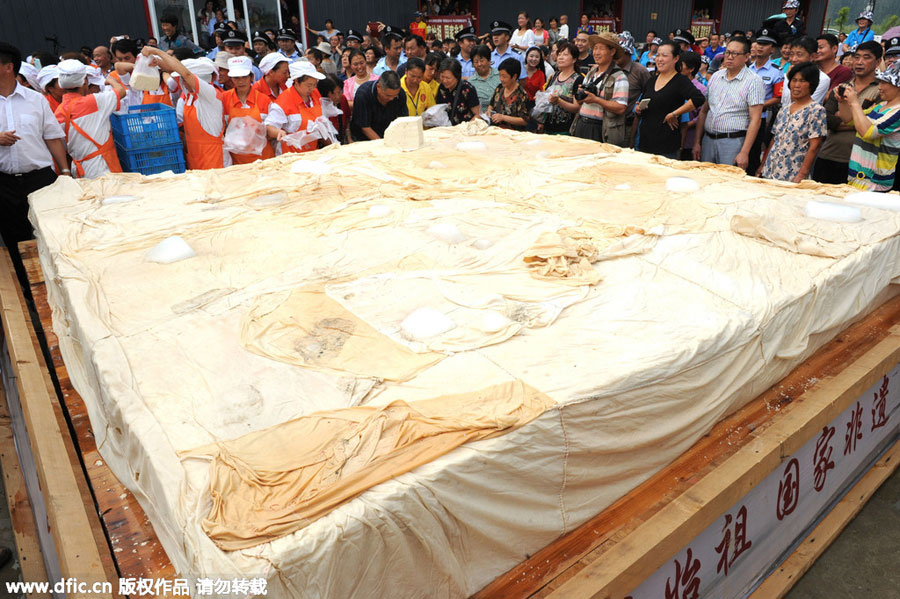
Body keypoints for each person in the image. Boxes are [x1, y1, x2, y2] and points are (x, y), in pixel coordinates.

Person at [0, 41, 69, 289]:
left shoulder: (35, 100)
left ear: (8, 67)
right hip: (4, 184)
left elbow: (52, 137)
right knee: (15, 239)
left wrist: (65, 171)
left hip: (39, 179)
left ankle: (60, 286)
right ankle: (29, 292)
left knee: (52, 234)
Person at [144, 47, 228, 169]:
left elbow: (186, 74)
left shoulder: (210, 93)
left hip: (214, 158)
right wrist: (157, 61)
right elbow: (172, 69)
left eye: (184, 80)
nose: (182, 83)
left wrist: (157, 51)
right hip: (196, 156)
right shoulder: (189, 94)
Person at [813, 41, 882, 184]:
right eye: (857, 57)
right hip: (829, 154)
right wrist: (860, 119)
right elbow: (827, 119)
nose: (859, 62)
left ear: (878, 62)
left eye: (866, 57)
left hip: (861, 162)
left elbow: (876, 124)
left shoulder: (882, 90)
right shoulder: (842, 87)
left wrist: (843, 115)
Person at [693, 36, 764, 168]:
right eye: (727, 53)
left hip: (732, 143)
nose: (730, 57)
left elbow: (755, 120)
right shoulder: (715, 77)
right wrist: (697, 142)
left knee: (727, 179)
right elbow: (704, 111)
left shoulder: (754, 81)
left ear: (746, 56)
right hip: (708, 140)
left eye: (735, 54)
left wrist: (744, 152)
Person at [53, 59, 127, 178]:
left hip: (78, 169)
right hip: (102, 168)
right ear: (85, 82)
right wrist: (112, 80)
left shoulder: (59, 112)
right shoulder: (94, 101)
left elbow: (62, 146)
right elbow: (121, 91)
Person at [757, 62, 826, 182]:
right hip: (770, 171)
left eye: (802, 81)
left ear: (812, 84)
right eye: (794, 80)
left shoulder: (816, 110)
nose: (797, 85)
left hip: (793, 175)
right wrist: (762, 166)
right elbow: (774, 139)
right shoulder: (784, 109)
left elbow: (814, 146)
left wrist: (801, 174)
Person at [634, 41, 704, 158]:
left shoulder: (680, 81)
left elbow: (698, 98)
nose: (659, 59)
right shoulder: (651, 80)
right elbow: (643, 102)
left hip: (666, 146)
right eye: (658, 55)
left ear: (676, 58)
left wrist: (674, 114)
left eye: (664, 55)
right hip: (645, 142)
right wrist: (638, 108)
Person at [839, 61, 900, 191]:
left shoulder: (898, 112)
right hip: (857, 176)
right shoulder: (881, 106)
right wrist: (843, 101)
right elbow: (849, 119)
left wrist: (855, 103)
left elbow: (867, 132)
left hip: (874, 181)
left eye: (884, 83)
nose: (879, 87)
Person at [571, 32, 628, 145]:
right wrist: (581, 94)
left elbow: (621, 108)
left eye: (601, 48)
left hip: (600, 128)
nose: (596, 52)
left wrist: (596, 99)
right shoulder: (591, 73)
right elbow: (580, 102)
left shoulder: (619, 77)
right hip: (581, 123)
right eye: (595, 48)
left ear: (612, 51)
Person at [221, 56, 275, 164]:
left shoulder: (264, 100)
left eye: (244, 77)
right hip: (237, 160)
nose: (240, 81)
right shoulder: (223, 99)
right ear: (231, 79)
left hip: (263, 159)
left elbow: (271, 127)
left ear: (251, 77)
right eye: (236, 78)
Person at [266, 60, 326, 152]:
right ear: (297, 81)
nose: (312, 88)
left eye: (315, 84)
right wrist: (278, 132)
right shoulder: (284, 101)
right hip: (290, 154)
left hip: (312, 151)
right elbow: (269, 127)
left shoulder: (315, 94)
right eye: (309, 85)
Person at [747, 29, 784, 174]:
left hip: (760, 117)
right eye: (759, 43)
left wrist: (759, 106)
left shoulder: (776, 71)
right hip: (742, 116)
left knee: (753, 153)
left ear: (772, 49)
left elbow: (778, 97)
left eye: (765, 44)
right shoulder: (747, 68)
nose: (760, 47)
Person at [539, 40, 583, 134]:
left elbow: (577, 108)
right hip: (548, 126)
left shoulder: (578, 79)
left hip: (566, 129)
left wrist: (559, 101)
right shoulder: (554, 75)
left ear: (574, 59)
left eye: (565, 55)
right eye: (559, 54)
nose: (561, 57)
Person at [349, 71, 407, 140]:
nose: (391, 99)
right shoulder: (363, 94)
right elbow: (365, 127)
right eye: (387, 95)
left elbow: (403, 120)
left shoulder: (400, 94)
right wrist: (382, 143)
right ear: (378, 86)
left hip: (389, 135)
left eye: (394, 96)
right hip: (364, 138)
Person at [617, 32, 652, 142]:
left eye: (619, 52)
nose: (615, 55)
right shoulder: (610, 70)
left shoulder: (640, 72)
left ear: (628, 53)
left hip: (629, 125)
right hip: (609, 124)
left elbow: (649, 95)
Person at [781, 37, 830, 105]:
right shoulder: (787, 74)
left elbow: (802, 105)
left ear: (813, 56)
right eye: (791, 54)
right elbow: (783, 102)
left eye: (799, 55)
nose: (794, 59)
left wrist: (791, 80)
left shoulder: (822, 79)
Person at [487, 57, 531, 130]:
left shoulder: (522, 95)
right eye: (500, 75)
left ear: (514, 77)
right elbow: (491, 105)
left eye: (504, 76)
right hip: (495, 130)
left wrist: (503, 117)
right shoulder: (500, 88)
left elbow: (524, 121)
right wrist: (489, 111)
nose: (501, 79)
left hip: (512, 133)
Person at [435, 58, 481, 124]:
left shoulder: (468, 89)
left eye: (448, 78)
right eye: (442, 77)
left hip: (464, 127)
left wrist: (467, 126)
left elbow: (477, 114)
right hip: (446, 127)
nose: (444, 80)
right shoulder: (442, 87)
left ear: (457, 77)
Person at [469, 44, 501, 111]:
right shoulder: (470, 83)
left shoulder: (500, 76)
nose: (479, 64)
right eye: (476, 62)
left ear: (489, 61)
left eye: (482, 61)